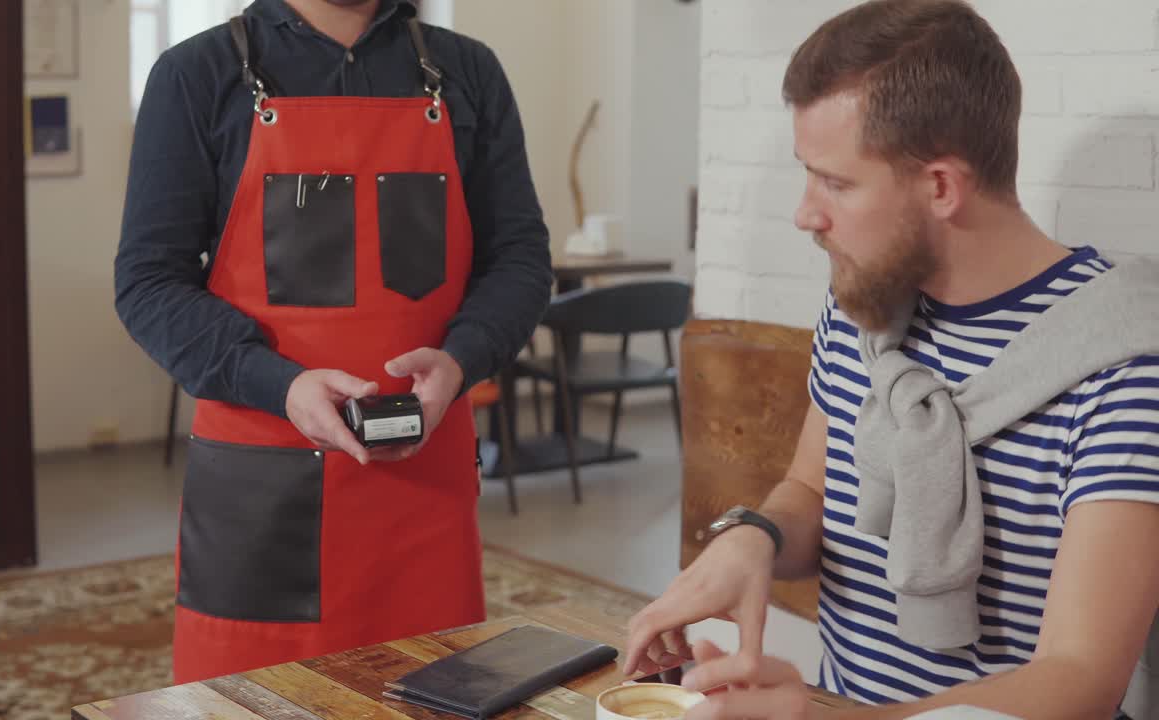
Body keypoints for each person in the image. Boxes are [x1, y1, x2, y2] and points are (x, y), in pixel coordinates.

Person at [623, 1, 1159, 718]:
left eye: (835, 183)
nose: (805, 214)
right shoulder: (863, 304)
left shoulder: (1125, 367)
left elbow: (1080, 682)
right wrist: (753, 537)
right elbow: (809, 492)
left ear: (941, 186)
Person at [114, 0, 552, 684]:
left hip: (420, 478)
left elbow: (520, 258)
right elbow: (147, 282)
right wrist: (278, 384)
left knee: (429, 695)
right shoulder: (194, 76)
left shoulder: (468, 73)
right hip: (261, 489)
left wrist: (460, 360)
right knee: (259, 702)